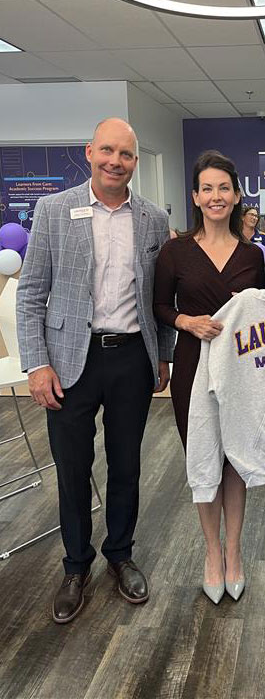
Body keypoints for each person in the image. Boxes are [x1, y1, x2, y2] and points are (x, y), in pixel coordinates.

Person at [16, 118, 175, 624]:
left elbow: (161, 297)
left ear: (135, 161)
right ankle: (75, 566)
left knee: (126, 465)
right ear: (89, 152)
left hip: (131, 357)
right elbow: (30, 295)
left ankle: (121, 554)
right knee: (72, 470)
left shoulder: (152, 218)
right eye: (107, 150)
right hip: (68, 360)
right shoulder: (53, 210)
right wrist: (37, 364)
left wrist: (164, 355)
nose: (115, 161)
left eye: (125, 154)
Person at [153, 150, 264, 604]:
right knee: (203, 460)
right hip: (193, 369)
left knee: (235, 460)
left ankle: (234, 551)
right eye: (207, 188)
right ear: (196, 197)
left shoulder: (253, 254)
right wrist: (186, 322)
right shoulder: (175, 251)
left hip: (240, 371)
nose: (216, 196)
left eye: (224, 187)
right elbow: (160, 306)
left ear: (236, 195)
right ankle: (211, 554)